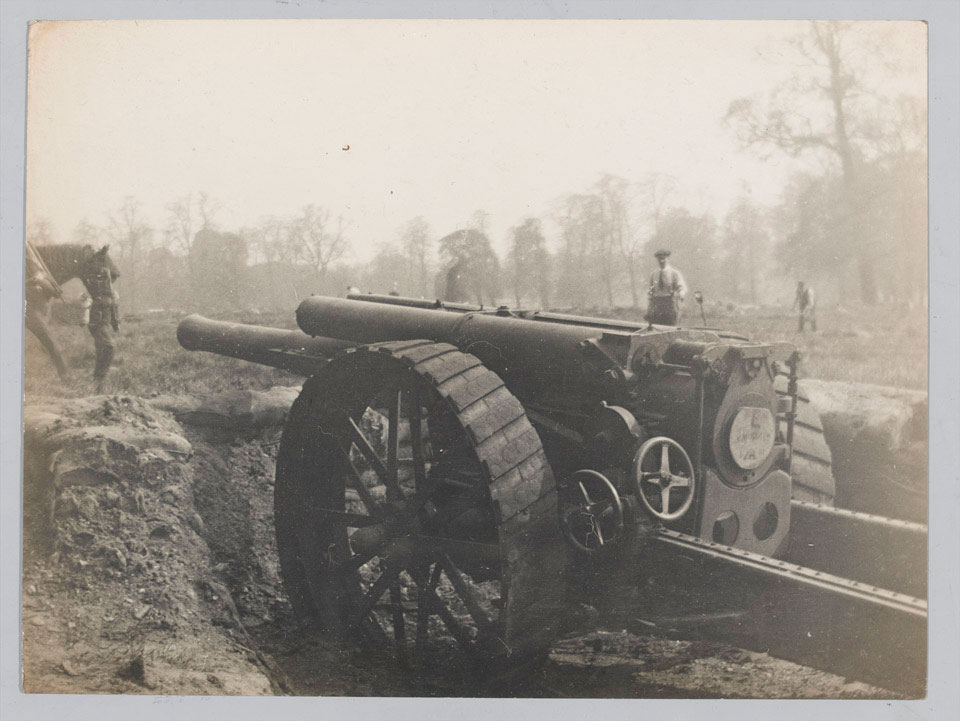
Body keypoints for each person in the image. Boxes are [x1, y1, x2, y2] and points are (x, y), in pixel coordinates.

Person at [82, 261, 120, 390]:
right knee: (109, 347)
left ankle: (99, 380)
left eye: (106, 278)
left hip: (106, 324)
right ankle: (100, 377)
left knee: (102, 350)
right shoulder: (92, 292)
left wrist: (115, 323)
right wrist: (85, 317)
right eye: (101, 278)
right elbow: (85, 307)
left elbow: (114, 309)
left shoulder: (111, 293)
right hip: (97, 324)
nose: (105, 281)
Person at [646, 249, 687, 325]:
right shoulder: (654, 274)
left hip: (669, 304)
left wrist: (681, 293)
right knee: (655, 327)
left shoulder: (674, 273)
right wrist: (650, 302)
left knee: (669, 326)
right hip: (656, 304)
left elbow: (680, 286)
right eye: (659, 259)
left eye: (663, 259)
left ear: (668, 259)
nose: (661, 261)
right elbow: (650, 289)